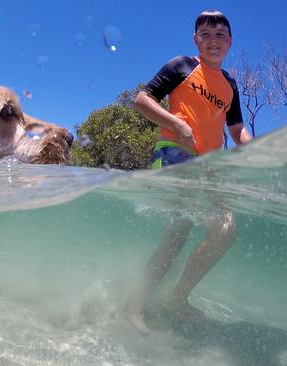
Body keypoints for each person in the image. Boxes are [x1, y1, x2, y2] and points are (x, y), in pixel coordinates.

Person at [126, 10, 253, 335]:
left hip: (207, 167)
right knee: (177, 236)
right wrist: (177, 123)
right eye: (206, 35)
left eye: (220, 35)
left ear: (230, 42)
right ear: (196, 40)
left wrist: (252, 152)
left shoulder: (231, 85)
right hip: (173, 153)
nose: (213, 41)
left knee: (222, 231)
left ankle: (177, 297)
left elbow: (237, 129)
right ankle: (135, 308)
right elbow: (142, 99)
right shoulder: (182, 65)